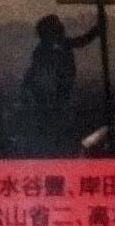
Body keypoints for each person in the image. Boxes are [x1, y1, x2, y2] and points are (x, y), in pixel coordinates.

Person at [18, 13, 100, 155]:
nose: (62, 28)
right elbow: (37, 74)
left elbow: (81, 41)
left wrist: (96, 31)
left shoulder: (58, 45)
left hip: (58, 93)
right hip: (50, 95)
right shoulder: (45, 50)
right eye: (57, 26)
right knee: (54, 126)